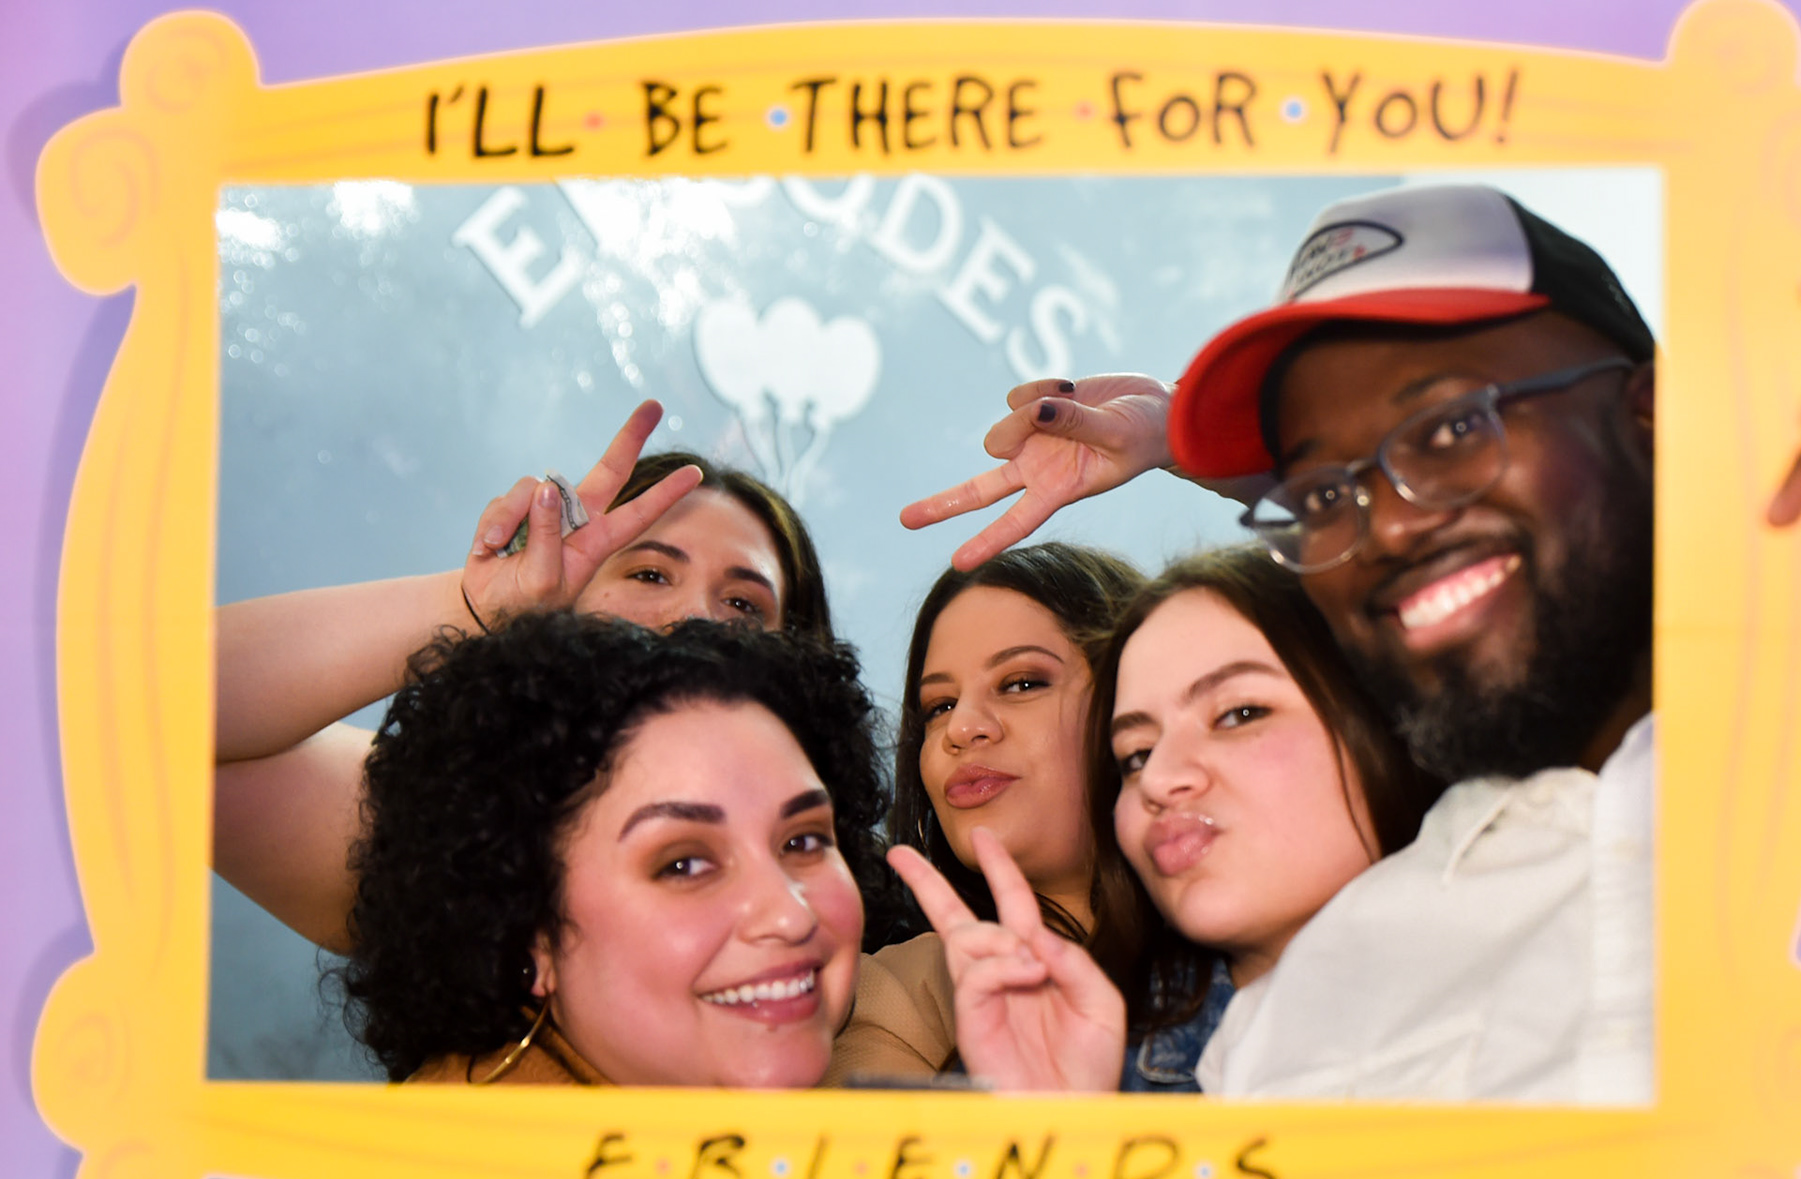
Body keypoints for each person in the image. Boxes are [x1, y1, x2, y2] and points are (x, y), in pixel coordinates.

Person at [906, 182, 1666, 1101]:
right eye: (1321, 495)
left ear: (1657, 415)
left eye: (1455, 427)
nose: (1387, 524)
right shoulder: (1289, 1029)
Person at [211, 401, 918, 955]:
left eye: (743, 605)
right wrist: (471, 607)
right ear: (563, 605)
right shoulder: (449, 826)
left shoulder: (872, 910)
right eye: (649, 574)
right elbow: (159, 704)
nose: (695, 619)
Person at [341, 612, 883, 1087]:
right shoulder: (441, 1170)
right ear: (530, 937)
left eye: (803, 841)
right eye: (684, 865)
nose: (790, 915)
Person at [1086, 545, 1438, 1091]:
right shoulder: (1079, 1066)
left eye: (1238, 714)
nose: (1157, 779)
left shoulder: (1561, 975)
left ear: (1390, 721)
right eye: (1136, 755)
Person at [823, 544, 1144, 1084]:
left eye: (1021, 683)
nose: (961, 727)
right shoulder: (888, 997)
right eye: (939, 706)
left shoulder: (1270, 935)